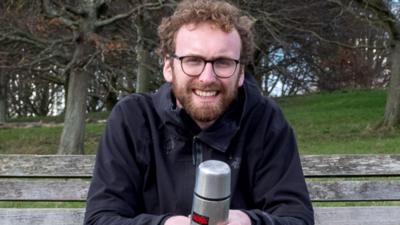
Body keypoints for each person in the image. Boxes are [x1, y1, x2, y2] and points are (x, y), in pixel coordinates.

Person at [84, 0, 314, 225]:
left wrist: (251, 221)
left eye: (223, 62)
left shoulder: (265, 121)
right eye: (192, 60)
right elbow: (101, 218)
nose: (207, 78)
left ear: (241, 72)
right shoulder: (133, 118)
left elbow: (296, 217)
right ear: (168, 66)